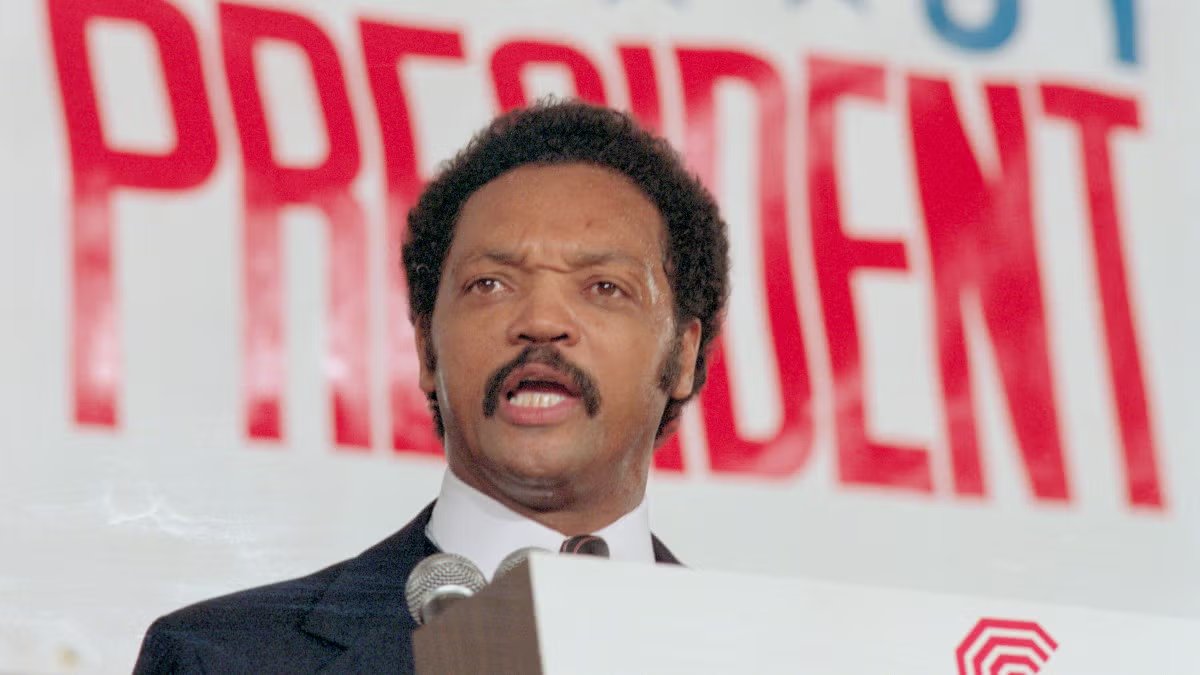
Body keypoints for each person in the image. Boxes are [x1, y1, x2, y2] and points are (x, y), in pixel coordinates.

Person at [133, 99, 730, 673]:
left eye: (604, 287)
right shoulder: (221, 658)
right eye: (490, 284)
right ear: (426, 347)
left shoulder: (763, 655)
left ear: (682, 354)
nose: (542, 321)